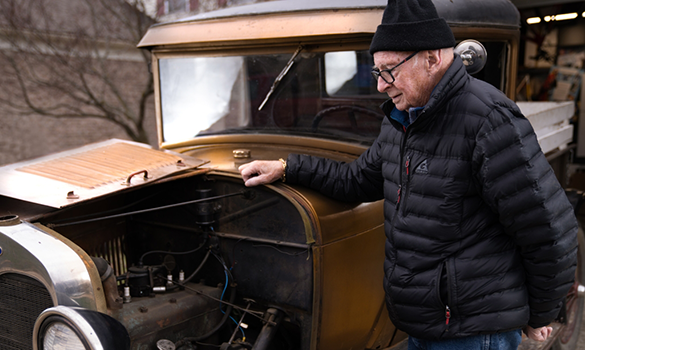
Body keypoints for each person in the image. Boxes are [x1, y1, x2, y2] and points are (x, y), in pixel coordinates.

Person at [238, 0, 579, 349]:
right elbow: (357, 179)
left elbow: (549, 230)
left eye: (390, 71)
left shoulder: (488, 120)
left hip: (472, 330)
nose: (381, 86)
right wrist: (287, 167)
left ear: (431, 59)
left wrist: (540, 313)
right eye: (377, 73)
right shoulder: (404, 120)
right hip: (423, 322)